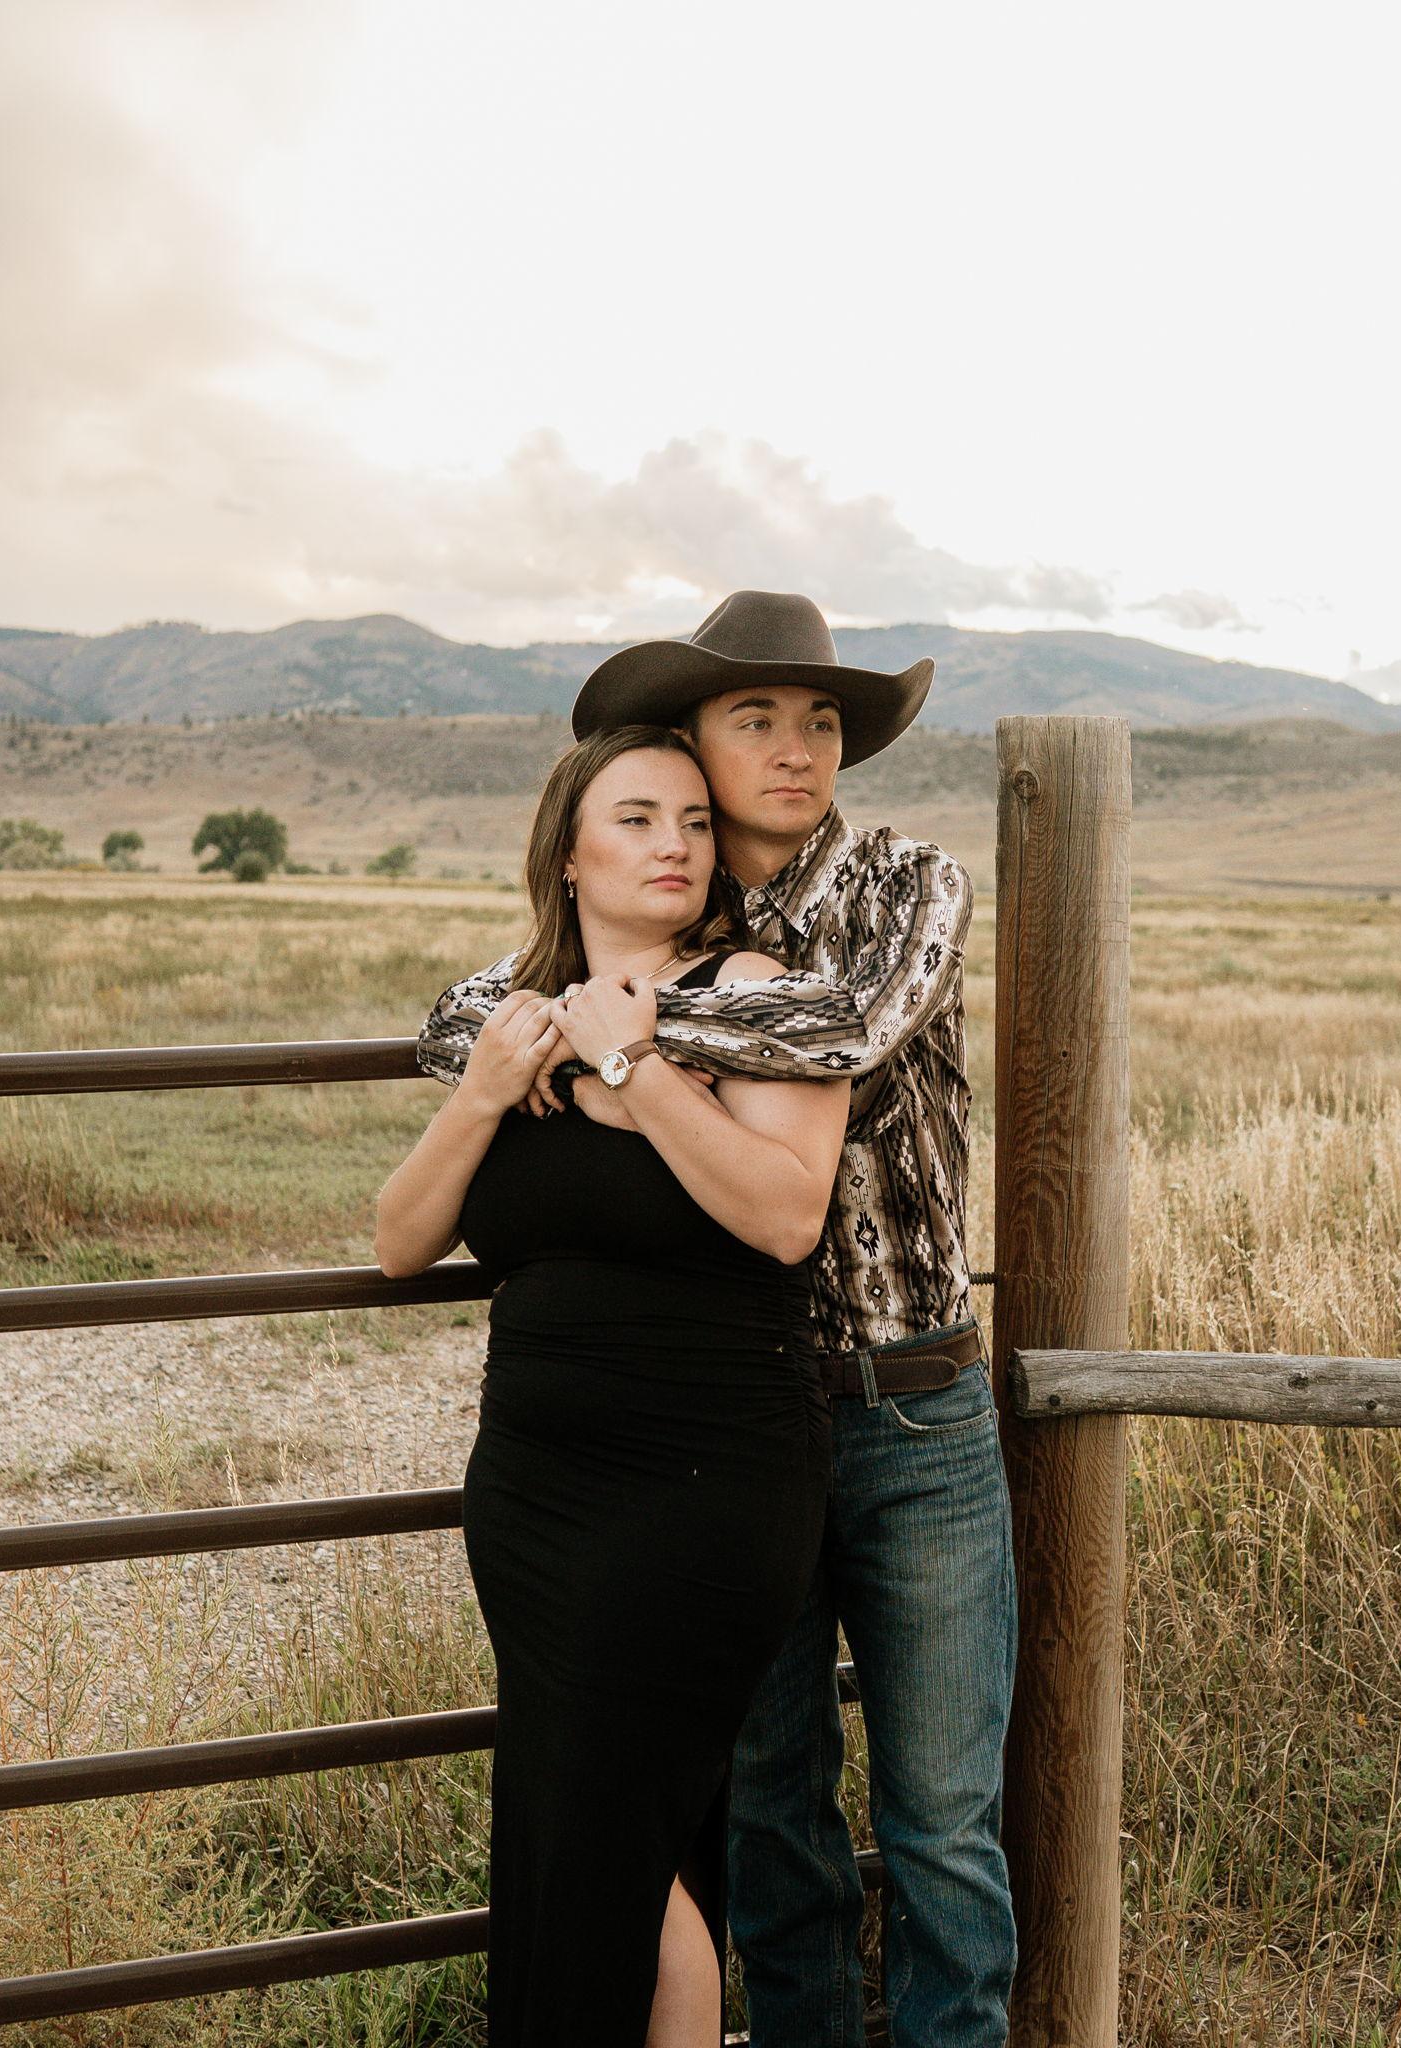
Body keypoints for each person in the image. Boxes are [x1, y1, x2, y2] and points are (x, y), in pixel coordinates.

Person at [417, 590, 1017, 2048]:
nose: (799, 747)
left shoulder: (904, 884)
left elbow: (843, 1031)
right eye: (758, 717)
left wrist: (600, 1032)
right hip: (742, 1416)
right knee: (772, 1814)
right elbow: (457, 1017)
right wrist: (533, 1027)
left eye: (822, 721)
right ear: (688, 741)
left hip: (915, 1400)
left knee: (941, 1819)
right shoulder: (678, 911)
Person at [375, 721, 850, 2048]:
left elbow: (783, 1219)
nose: (678, 846)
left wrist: (634, 1069)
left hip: (706, 1490)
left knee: (608, 1851)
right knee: (597, 1827)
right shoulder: (496, 1017)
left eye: (696, 824)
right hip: (535, 1496)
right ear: (569, 854)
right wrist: (483, 1095)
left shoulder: (768, 999)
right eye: (640, 818)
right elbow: (401, 1240)